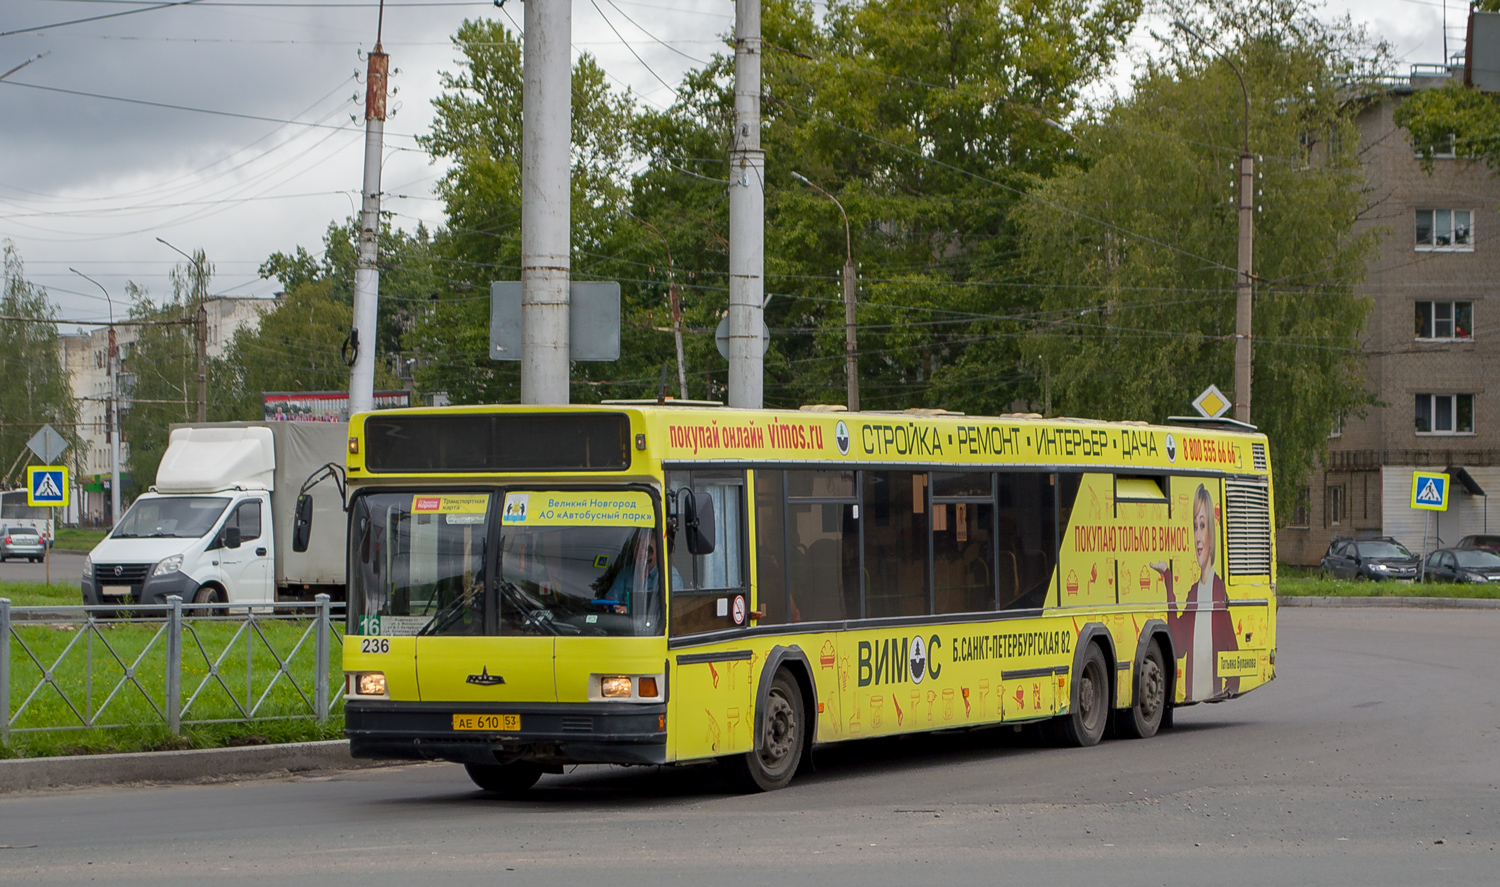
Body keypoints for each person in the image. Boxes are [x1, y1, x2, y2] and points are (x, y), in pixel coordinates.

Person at [1150, 484, 1239, 700]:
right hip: (1192, 692)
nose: (1198, 537)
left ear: (1212, 532)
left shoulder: (1220, 590)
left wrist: (1230, 686)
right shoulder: (1193, 594)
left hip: (1213, 690)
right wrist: (1168, 579)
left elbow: (1233, 651)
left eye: (1202, 525)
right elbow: (1178, 646)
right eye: (1195, 527)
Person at [600, 533, 680, 614]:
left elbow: (668, 608)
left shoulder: (669, 576)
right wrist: (613, 607)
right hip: (624, 624)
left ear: (658, 551)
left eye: (647, 549)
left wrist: (629, 610)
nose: (641, 553)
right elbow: (611, 598)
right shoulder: (626, 573)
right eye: (637, 548)